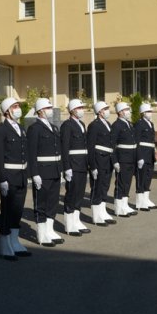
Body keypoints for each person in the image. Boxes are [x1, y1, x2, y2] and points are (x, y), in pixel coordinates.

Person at [0, 97, 39, 253]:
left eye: (18, 106)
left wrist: (30, 174)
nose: (18, 108)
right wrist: (2, 178)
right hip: (9, 176)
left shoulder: (21, 128)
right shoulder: (0, 129)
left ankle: (14, 241)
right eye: (15, 106)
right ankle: (5, 244)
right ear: (7, 111)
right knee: (7, 210)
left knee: (18, 210)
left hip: (21, 175)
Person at [27, 98, 66, 245]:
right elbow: (32, 153)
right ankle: (42, 234)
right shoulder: (34, 128)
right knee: (41, 203)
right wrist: (34, 173)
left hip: (54, 170)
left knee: (52, 202)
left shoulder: (53, 127)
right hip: (42, 172)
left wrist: (60, 170)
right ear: (40, 110)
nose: (50, 110)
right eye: (48, 108)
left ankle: (50, 230)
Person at [60, 99, 90, 236]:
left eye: (82, 107)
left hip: (82, 164)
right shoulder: (67, 125)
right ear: (72, 110)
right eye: (79, 107)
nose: (81, 109)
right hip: (73, 164)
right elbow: (64, 148)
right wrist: (67, 167)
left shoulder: (81, 124)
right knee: (71, 194)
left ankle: (76, 221)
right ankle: (69, 224)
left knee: (79, 194)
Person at [87, 101, 116, 226]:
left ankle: (103, 212)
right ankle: (96, 216)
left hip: (107, 160)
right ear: (99, 112)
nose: (108, 111)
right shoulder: (94, 125)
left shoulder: (107, 124)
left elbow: (111, 144)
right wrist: (92, 165)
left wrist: (114, 161)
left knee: (105, 187)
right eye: (105, 108)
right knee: (97, 188)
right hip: (99, 159)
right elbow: (90, 146)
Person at [110, 102, 138, 217]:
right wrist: (115, 161)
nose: (128, 111)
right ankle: (118, 207)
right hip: (122, 158)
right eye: (126, 109)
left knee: (127, 182)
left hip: (131, 157)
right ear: (120, 112)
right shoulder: (116, 125)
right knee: (121, 183)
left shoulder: (129, 124)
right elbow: (112, 144)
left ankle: (124, 205)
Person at [133, 103, 157, 211]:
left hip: (150, 154)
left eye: (150, 111)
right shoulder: (139, 124)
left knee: (148, 177)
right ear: (142, 113)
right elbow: (137, 141)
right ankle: (140, 202)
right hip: (143, 154)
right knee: (141, 178)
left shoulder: (150, 124)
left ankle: (146, 199)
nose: (150, 113)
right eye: (148, 111)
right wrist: (139, 157)